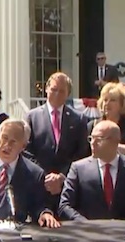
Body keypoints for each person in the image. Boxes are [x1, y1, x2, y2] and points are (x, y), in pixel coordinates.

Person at [59, 120, 125, 221]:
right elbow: (65, 206)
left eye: (99, 139)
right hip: (89, 233)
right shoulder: (78, 169)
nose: (93, 143)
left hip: (123, 233)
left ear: (115, 141)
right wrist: (86, 224)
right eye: (91, 138)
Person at [25, 72, 89, 213]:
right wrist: (45, 176)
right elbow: (27, 151)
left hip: (68, 187)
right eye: (54, 89)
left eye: (62, 91)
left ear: (68, 94)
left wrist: (62, 176)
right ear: (47, 89)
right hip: (40, 185)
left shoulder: (78, 119)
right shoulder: (32, 117)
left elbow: (82, 152)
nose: (57, 94)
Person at [88, 82, 125, 163]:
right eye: (105, 100)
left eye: (112, 100)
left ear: (122, 104)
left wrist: (112, 147)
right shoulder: (93, 125)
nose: (107, 103)